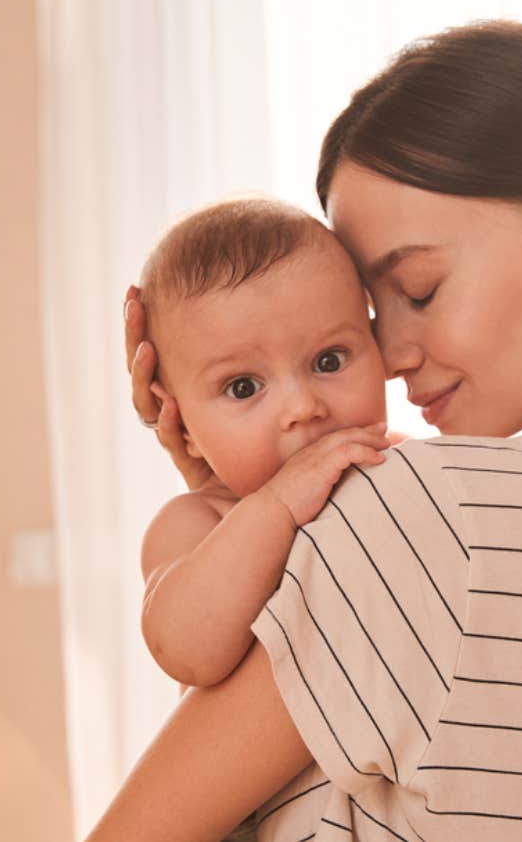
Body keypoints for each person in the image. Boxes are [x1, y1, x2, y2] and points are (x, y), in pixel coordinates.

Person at [89, 20, 522, 842]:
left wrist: (242, 502)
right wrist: (231, 500)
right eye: (374, 315)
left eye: (418, 288)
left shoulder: (426, 513)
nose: (388, 352)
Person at [132, 198, 392, 841]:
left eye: (330, 361)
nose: (303, 407)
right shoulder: (200, 520)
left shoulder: (397, 476)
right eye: (244, 387)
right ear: (182, 424)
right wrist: (274, 505)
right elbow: (190, 649)